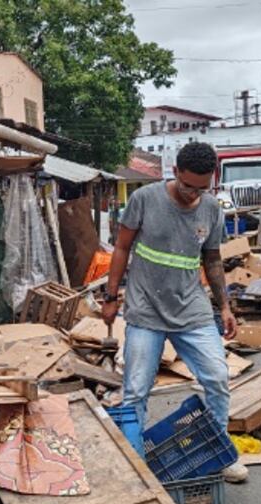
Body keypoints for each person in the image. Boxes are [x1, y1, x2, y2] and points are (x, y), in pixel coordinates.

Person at [103, 141, 247, 482]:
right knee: (136, 389)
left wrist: (225, 306)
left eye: (201, 188)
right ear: (175, 172)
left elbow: (212, 259)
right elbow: (122, 247)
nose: (193, 194)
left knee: (217, 377)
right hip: (145, 309)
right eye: (187, 186)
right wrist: (111, 296)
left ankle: (218, 452)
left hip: (192, 309)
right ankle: (136, 466)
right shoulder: (144, 199)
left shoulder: (211, 209)